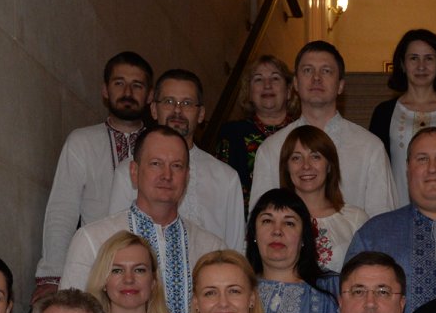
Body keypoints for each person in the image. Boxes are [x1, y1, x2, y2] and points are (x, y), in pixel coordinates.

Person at [59, 126, 226, 313]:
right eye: (156, 163)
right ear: (134, 172)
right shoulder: (92, 240)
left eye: (176, 166)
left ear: (187, 177)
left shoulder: (211, 248)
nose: (167, 175)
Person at [34, 52, 152, 301]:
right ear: (105, 91)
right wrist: (53, 277)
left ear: (150, 95)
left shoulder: (160, 148)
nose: (127, 92)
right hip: (92, 270)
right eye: (119, 83)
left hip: (148, 275)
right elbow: (62, 209)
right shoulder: (82, 141)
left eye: (137, 85)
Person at [251, 41, 395, 216]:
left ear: (340, 85)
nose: (316, 78)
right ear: (295, 83)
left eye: (326, 71)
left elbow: (383, 221)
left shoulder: (370, 147)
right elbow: (260, 220)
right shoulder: (272, 148)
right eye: (308, 70)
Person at [344, 127, 436, 313]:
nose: (432, 168)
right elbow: (350, 306)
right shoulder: (373, 235)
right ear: (408, 169)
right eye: (422, 159)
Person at [368, 29, 436, 205]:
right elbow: (377, 172)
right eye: (413, 58)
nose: (421, 66)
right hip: (396, 211)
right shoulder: (384, 113)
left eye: (429, 58)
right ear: (402, 64)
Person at [149, 68, 248, 254]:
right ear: (154, 109)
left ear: (201, 114)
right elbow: (117, 240)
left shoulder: (226, 177)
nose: (177, 110)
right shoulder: (132, 170)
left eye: (187, 103)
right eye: (169, 101)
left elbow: (235, 251)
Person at [247, 188, 344, 313]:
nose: (277, 231)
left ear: (304, 237)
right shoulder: (236, 289)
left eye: (289, 223)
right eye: (267, 221)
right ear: (254, 233)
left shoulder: (331, 287)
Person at [278, 124, 369, 273]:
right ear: (287, 167)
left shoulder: (356, 219)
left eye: (315, 157)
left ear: (329, 166)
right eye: (296, 158)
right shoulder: (272, 221)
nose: (306, 166)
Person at [215, 54, 297, 195]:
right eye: (258, 79)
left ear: (288, 91)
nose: (267, 85)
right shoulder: (232, 133)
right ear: (249, 93)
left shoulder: (304, 132)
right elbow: (221, 186)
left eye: (275, 78)